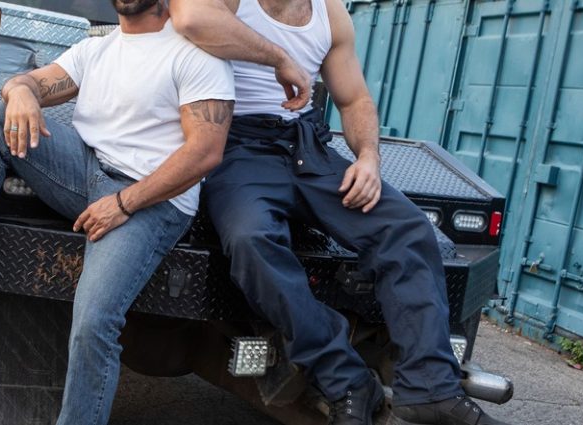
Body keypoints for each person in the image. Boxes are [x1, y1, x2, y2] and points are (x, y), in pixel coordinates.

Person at [0, 1, 235, 423]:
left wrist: (123, 203)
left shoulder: (195, 54)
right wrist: (22, 94)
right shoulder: (97, 48)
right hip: (87, 169)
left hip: (152, 200)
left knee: (94, 323)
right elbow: (27, 81)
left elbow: (205, 152)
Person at [167, 0, 509, 424]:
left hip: (307, 147)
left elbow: (355, 99)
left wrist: (368, 159)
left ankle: (431, 388)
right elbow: (191, 18)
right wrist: (280, 58)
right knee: (251, 240)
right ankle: (346, 379)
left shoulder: (330, 14)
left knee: (407, 228)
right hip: (239, 148)